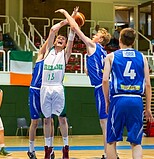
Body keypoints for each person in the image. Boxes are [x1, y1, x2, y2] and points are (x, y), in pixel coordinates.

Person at [56, 8, 114, 159]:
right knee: (105, 122)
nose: (94, 36)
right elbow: (94, 70)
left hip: (101, 87)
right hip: (103, 86)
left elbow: (75, 28)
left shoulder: (93, 45)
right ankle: (108, 153)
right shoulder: (103, 52)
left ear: (100, 40)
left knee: (104, 123)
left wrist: (68, 15)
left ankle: (109, 154)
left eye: (97, 35)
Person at [102, 28, 153, 159]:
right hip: (136, 100)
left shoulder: (111, 56)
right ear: (134, 41)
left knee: (111, 141)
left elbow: (105, 80)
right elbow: (147, 84)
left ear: (119, 40)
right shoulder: (142, 57)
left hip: (118, 99)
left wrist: (107, 101)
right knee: (136, 142)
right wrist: (148, 108)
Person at [40, 7, 78, 159]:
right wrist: (63, 19)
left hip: (57, 87)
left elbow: (72, 33)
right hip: (45, 87)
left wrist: (72, 16)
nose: (61, 40)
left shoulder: (65, 54)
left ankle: (66, 147)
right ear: (55, 41)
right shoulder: (48, 50)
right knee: (47, 119)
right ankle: (48, 149)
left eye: (63, 40)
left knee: (62, 118)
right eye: (59, 38)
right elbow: (52, 30)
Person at [27, 39, 55, 159]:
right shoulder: (40, 58)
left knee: (49, 121)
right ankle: (31, 149)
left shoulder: (54, 63)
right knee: (34, 122)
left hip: (46, 90)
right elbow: (44, 48)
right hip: (35, 91)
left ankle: (50, 148)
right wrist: (52, 35)